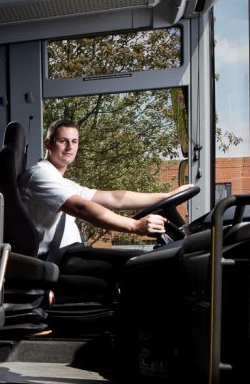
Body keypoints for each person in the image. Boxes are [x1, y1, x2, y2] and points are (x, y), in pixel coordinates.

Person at [20, 119, 193, 293]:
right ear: (48, 144)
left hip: (70, 253)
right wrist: (135, 225)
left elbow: (114, 198)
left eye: (74, 141)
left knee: (144, 261)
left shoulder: (62, 182)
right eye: (63, 141)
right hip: (56, 258)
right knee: (141, 263)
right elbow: (82, 208)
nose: (69, 147)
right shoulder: (40, 175)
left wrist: (168, 195)